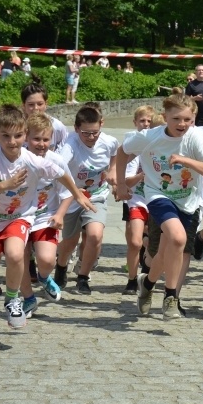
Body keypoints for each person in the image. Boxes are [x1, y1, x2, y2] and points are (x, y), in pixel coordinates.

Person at [0, 105, 95, 333]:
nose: (12, 141)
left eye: (18, 135)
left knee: (16, 253)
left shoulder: (32, 160)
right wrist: (5, 185)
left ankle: (12, 300)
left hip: (18, 217)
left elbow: (61, 173)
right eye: (5, 136)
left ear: (25, 135)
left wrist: (77, 194)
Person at [117, 95, 203, 319]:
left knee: (164, 254)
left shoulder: (195, 138)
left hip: (189, 200)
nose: (182, 124)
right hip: (158, 195)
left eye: (187, 119)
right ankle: (171, 297)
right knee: (177, 238)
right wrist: (122, 184)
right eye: (176, 119)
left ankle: (148, 283)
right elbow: (122, 152)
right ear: (164, 118)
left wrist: (187, 161)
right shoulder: (149, 137)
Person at [53, 106, 119, 294]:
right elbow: (58, 169)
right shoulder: (70, 145)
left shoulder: (108, 141)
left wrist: (113, 170)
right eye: (86, 133)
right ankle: (61, 265)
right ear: (76, 129)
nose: (91, 137)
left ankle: (83, 277)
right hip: (71, 198)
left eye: (95, 132)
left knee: (95, 235)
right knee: (70, 241)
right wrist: (75, 192)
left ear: (102, 125)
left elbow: (117, 152)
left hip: (96, 195)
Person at [17, 113, 74, 317]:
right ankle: (28, 298)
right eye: (36, 139)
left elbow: (68, 192)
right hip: (18, 216)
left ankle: (43, 277)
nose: (41, 144)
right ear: (26, 137)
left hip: (45, 217)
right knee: (19, 257)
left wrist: (60, 214)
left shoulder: (56, 160)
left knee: (47, 259)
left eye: (46, 139)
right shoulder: (18, 159)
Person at [120, 106, 154, 295]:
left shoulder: (160, 145)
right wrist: (142, 175)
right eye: (143, 121)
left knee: (153, 244)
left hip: (157, 201)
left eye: (149, 121)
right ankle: (132, 280)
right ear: (135, 122)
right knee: (134, 241)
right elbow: (127, 179)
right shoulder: (133, 146)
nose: (146, 125)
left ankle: (148, 275)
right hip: (137, 200)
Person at [20, 76, 69, 151]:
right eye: (31, 104)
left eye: (40, 104)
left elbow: (66, 146)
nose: (36, 108)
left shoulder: (57, 126)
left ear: (46, 104)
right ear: (24, 105)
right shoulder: (18, 127)